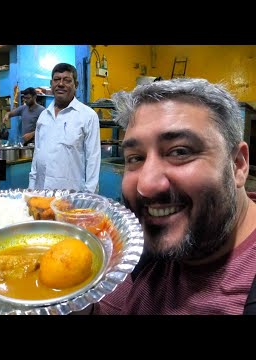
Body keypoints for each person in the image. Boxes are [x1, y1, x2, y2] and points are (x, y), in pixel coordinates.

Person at [91, 78, 256, 315]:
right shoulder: (142, 247)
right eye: (135, 158)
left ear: (238, 165)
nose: (146, 186)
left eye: (180, 152)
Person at [28, 63, 101, 192]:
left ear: (76, 85)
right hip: (41, 194)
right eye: (56, 80)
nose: (60, 84)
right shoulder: (43, 116)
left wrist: (89, 197)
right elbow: (37, 156)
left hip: (71, 198)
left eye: (67, 80)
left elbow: (93, 160)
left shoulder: (88, 116)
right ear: (51, 83)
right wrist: (31, 188)